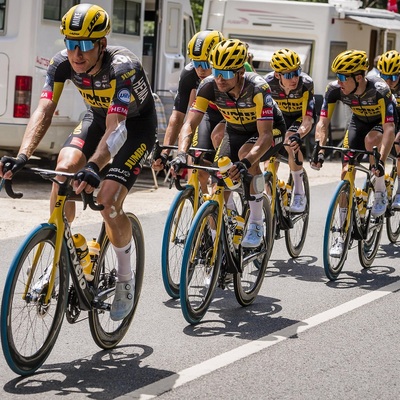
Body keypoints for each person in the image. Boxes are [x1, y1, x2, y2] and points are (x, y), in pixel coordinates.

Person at [0, 4, 157, 321]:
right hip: (97, 119)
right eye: (71, 43)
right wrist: (22, 155)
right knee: (63, 169)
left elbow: (118, 129)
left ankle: (125, 279)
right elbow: (44, 111)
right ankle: (62, 255)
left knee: (107, 199)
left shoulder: (123, 67)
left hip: (135, 128)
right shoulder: (61, 63)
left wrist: (95, 166)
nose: (77, 53)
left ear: (102, 43)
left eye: (85, 44)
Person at [171, 39, 286, 248]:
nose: (220, 79)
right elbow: (190, 122)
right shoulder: (208, 85)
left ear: (241, 72)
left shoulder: (258, 88)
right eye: (216, 71)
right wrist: (180, 153)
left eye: (227, 73)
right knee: (218, 181)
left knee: (246, 155)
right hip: (235, 130)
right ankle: (225, 231)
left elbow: (265, 136)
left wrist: (245, 162)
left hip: (270, 131)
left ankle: (256, 222)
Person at [311, 49, 396, 257]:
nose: (338, 81)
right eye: (337, 76)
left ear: (359, 78)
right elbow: (323, 122)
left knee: (371, 142)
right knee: (345, 171)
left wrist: (380, 162)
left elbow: (389, 130)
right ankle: (341, 232)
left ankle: (379, 189)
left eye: (343, 77)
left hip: (381, 124)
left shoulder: (380, 89)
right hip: (358, 122)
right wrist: (319, 148)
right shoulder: (334, 89)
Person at [152, 29, 225, 193]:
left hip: (232, 118)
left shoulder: (230, 74)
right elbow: (177, 117)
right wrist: (166, 152)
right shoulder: (189, 73)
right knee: (199, 172)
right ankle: (207, 215)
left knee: (220, 172)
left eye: (205, 64)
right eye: (196, 63)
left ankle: (228, 208)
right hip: (208, 114)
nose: (200, 70)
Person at [265, 48, 315, 212]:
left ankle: (299, 193)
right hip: (278, 118)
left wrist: (299, 135)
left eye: (296, 72)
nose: (294, 78)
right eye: (288, 75)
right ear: (277, 75)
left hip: (298, 118)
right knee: (267, 149)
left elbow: (308, 119)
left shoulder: (305, 83)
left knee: (289, 140)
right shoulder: (266, 83)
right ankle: (270, 198)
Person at [377, 50, 400, 209]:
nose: (389, 81)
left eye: (393, 77)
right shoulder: (377, 85)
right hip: (386, 119)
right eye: (384, 76)